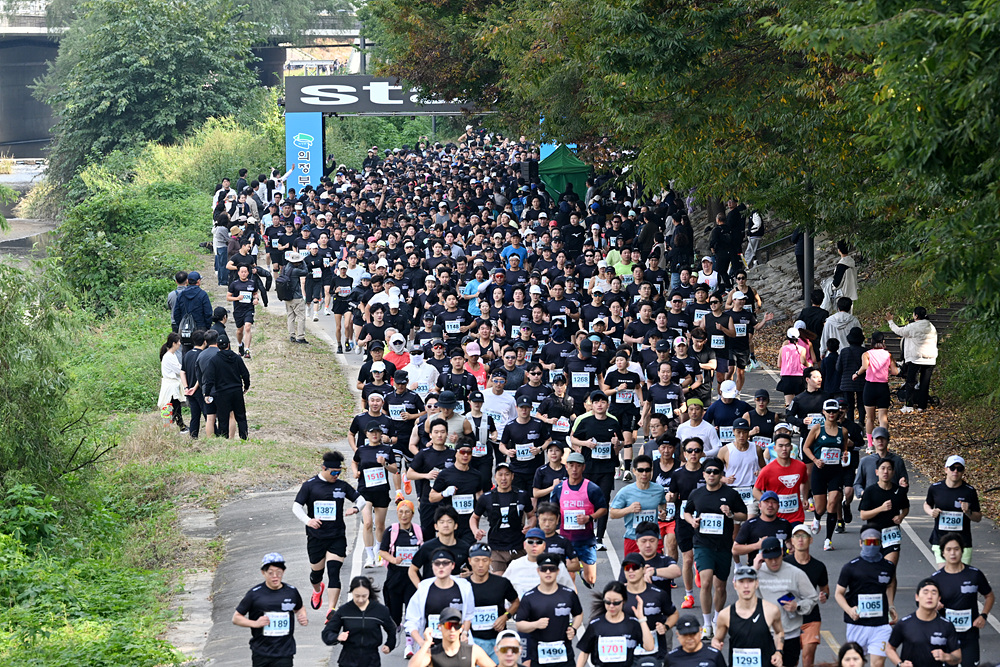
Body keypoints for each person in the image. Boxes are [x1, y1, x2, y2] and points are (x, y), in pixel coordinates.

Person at [684, 456, 749, 637]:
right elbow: (686, 512)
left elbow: (744, 515)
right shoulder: (696, 494)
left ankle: (717, 617)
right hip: (702, 544)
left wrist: (730, 514)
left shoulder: (731, 494)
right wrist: (692, 521)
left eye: (716, 472)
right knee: (705, 583)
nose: (712, 475)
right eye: (709, 472)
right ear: (703, 474)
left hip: (723, 545)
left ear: (721, 475)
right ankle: (706, 625)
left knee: (720, 587)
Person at [292, 451, 363, 613]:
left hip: (336, 536)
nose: (336, 475)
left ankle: (331, 610)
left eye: (339, 472)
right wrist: (308, 521)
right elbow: (296, 507)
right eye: (334, 472)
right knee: (316, 574)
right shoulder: (310, 486)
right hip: (316, 537)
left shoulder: (342, 486)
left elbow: (361, 499)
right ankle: (317, 589)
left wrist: (355, 508)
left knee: (334, 572)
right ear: (324, 468)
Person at [835, 528, 898, 667]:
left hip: (880, 624)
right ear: (860, 543)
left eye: (875, 542)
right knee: (855, 662)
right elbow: (838, 593)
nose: (871, 545)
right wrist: (849, 610)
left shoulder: (888, 566)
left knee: (878, 664)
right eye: (867, 542)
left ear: (880, 544)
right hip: (857, 624)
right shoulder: (850, 567)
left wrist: (891, 605)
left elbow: (890, 585)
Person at [232, 552, 308, 667]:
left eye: (279, 572)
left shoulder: (291, 592)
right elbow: (236, 618)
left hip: (285, 652)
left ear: (283, 572)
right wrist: (255, 623)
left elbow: (299, 607)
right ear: (263, 573)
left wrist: (302, 616)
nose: (275, 576)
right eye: (271, 573)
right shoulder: (254, 594)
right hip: (261, 652)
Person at [568, 390, 622, 548]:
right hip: (589, 467)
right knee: (586, 501)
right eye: (596, 402)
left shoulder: (613, 421)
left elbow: (621, 443)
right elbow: (572, 438)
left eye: (603, 402)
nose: (599, 405)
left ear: (608, 405)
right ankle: (586, 533)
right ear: (591, 404)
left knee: (603, 501)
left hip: (606, 468)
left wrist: (616, 443)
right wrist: (586, 444)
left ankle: (599, 538)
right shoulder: (584, 421)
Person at [754, 536, 819, 667]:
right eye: (769, 559)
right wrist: (754, 569)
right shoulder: (756, 572)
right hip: (766, 634)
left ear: (782, 553)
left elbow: (813, 598)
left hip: (790, 633)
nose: (773, 562)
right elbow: (743, 594)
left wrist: (798, 606)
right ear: (763, 557)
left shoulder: (796, 573)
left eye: (776, 557)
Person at [932, 532, 994, 667]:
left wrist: (983, 615)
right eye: (948, 550)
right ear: (943, 553)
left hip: (969, 635)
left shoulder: (974, 574)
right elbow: (924, 605)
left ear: (962, 551)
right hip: (946, 636)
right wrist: (934, 606)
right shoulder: (936, 579)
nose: (952, 553)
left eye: (956, 549)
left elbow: (989, 596)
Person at [515, 552, 584, 667]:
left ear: (557, 571)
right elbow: (519, 624)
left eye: (552, 569)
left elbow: (578, 614)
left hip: (565, 657)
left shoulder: (568, 594)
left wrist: (574, 628)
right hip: (539, 657)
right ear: (538, 571)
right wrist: (535, 624)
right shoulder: (529, 597)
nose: (548, 572)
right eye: (544, 569)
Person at [550, 452, 609, 588]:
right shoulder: (559, 489)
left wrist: (589, 517)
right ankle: (572, 606)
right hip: (566, 540)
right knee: (568, 581)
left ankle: (581, 570)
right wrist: (556, 528)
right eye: (571, 465)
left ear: (584, 468)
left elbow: (603, 509)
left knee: (591, 580)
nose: (574, 469)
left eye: (578, 466)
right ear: (566, 467)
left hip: (585, 540)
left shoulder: (592, 488)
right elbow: (552, 511)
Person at [711, 566, 784, 666]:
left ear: (756, 583)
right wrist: (715, 643)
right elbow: (717, 638)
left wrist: (779, 652)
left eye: (750, 581)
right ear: (735, 584)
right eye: (741, 581)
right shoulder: (725, 615)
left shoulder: (771, 610)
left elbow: (779, 632)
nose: (746, 586)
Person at [802, 398, 850, 551]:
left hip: (835, 471)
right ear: (823, 412)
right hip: (820, 471)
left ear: (838, 413)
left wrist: (844, 456)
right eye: (828, 411)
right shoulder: (817, 428)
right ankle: (817, 517)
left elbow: (844, 450)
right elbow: (806, 448)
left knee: (833, 502)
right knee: (821, 508)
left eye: (834, 411)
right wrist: (815, 460)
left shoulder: (843, 431)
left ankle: (828, 539)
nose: (831, 414)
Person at [404, 550, 475, 650]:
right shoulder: (424, 588)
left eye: (445, 563)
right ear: (432, 566)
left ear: (453, 565)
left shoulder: (464, 587)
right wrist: (422, 643)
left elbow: (469, 615)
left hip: (457, 645)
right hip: (431, 646)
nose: (441, 567)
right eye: (437, 563)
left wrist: (464, 633)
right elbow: (411, 621)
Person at [471, 462, 534, 575]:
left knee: (518, 582)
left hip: (518, 546)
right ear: (495, 477)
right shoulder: (486, 498)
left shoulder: (522, 495)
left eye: (507, 474)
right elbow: (474, 517)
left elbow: (532, 515)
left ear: (512, 476)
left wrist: (530, 527)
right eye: (500, 474)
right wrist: (476, 530)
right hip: (497, 547)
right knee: (499, 582)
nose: (503, 478)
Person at [321, 576, 397, 667]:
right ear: (352, 592)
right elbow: (327, 632)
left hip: (371, 660)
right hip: (348, 659)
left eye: (364, 596)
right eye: (357, 596)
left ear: (369, 592)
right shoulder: (344, 610)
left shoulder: (380, 610)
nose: (360, 600)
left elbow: (391, 629)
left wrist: (389, 645)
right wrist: (337, 637)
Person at [352, 422, 399, 569]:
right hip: (365, 489)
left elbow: (395, 469)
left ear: (381, 434)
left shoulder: (387, 449)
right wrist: (355, 472)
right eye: (372, 432)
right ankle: (369, 556)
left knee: (379, 525)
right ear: (366, 434)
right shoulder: (361, 450)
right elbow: (354, 462)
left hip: (381, 490)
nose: (375, 435)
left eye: (377, 432)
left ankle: (379, 552)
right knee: (367, 523)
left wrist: (384, 464)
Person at [576, 581, 655, 667]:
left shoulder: (633, 624)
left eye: (616, 602)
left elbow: (649, 646)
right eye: (608, 602)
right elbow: (584, 653)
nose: (611, 606)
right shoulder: (596, 624)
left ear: (624, 601)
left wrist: (641, 619)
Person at [885, 578, 961, 667]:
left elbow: (958, 657)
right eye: (925, 592)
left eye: (934, 593)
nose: (929, 596)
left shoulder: (947, 625)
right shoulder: (904, 624)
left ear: (939, 598)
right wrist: (900, 664)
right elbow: (889, 648)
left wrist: (946, 657)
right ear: (917, 597)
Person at [669, 437, 707, 609]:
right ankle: (689, 596)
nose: (693, 454)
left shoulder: (707, 472)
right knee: (687, 558)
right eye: (690, 451)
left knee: (700, 555)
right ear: (684, 453)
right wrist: (669, 498)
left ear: (702, 452)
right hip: (684, 519)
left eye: (697, 450)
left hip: (704, 520)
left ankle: (700, 569)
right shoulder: (677, 474)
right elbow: (672, 496)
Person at [924, 455, 982, 564]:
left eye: (959, 469)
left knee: (962, 578)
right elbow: (927, 504)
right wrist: (931, 512)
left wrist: (968, 512)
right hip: (940, 540)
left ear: (963, 471)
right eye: (952, 468)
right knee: (944, 576)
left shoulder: (969, 491)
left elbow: (978, 517)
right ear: (946, 469)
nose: (955, 471)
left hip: (963, 542)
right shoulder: (935, 488)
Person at [785, 524, 830, 667]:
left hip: (811, 618)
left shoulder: (819, 566)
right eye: (797, 536)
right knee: (791, 661)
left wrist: (824, 595)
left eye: (804, 536)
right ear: (792, 540)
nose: (800, 539)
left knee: (808, 656)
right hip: (789, 620)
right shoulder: (784, 564)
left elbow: (825, 588)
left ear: (810, 540)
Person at [620, 551, 679, 658]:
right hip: (627, 652)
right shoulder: (618, 595)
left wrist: (665, 626)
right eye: (627, 568)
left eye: (635, 567)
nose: (631, 571)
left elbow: (674, 614)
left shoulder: (658, 594)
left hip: (656, 651)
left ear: (644, 569)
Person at [467, 543, 519, 662]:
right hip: (472, 640)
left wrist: (506, 616)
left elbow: (516, 601)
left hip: (497, 639)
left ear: (490, 561)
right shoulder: (464, 585)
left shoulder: (502, 583)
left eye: (485, 560)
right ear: (470, 561)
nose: (481, 564)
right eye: (477, 560)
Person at [378, 499, 422, 630]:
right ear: (397, 513)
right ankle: (395, 631)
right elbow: (383, 551)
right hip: (395, 577)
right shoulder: (391, 531)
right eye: (401, 512)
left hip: (412, 577)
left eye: (407, 512)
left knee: (412, 611)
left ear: (412, 514)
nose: (404, 515)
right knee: (394, 613)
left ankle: (410, 641)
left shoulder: (419, 531)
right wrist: (393, 560)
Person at [609, 454, 667, 554]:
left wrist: (662, 512)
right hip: (633, 539)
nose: (644, 473)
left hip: (653, 539)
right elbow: (612, 514)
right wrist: (629, 509)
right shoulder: (625, 492)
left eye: (647, 470)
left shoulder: (659, 490)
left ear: (651, 471)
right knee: (631, 569)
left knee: (655, 569)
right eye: (640, 470)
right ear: (634, 471)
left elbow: (662, 505)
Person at [887, 306, 939, 413]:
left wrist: (890, 321)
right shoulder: (931, 327)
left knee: (910, 382)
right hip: (930, 358)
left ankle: (909, 406)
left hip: (916, 358)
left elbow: (899, 331)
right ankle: (922, 406)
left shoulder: (913, 326)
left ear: (916, 315)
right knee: (925, 383)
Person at [430, 441, 484, 543]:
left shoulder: (477, 475)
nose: (465, 455)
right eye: (462, 452)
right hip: (450, 524)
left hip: (469, 525)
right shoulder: (445, 474)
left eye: (469, 452)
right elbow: (431, 497)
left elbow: (479, 496)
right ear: (456, 453)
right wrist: (444, 493)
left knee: (468, 554)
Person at [858, 457, 909, 564]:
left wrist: (901, 516)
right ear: (877, 472)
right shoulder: (870, 491)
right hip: (873, 535)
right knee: (874, 572)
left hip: (891, 535)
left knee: (889, 570)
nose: (886, 471)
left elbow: (906, 508)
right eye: (883, 468)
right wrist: (881, 508)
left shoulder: (898, 491)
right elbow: (863, 515)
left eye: (889, 469)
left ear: (893, 472)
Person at [853, 331, 899, 448]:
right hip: (883, 387)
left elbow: (864, 367)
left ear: (871, 341)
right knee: (883, 417)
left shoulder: (866, 354)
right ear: (883, 341)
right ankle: (884, 444)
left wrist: (856, 374)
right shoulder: (888, 355)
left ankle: (870, 445)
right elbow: (895, 372)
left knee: (870, 418)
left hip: (870, 387)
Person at [408, 606, 493, 667]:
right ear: (440, 627)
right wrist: (426, 643)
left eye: (456, 626)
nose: (452, 630)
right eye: (448, 625)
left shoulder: (473, 651)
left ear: (461, 628)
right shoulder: (433, 654)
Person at [202, 335, 251, 440]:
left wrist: (207, 393)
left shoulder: (214, 360)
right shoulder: (236, 358)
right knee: (241, 417)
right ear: (229, 344)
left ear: (218, 346)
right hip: (237, 390)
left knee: (223, 419)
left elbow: (209, 379)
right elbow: (245, 374)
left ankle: (224, 439)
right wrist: (246, 386)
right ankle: (244, 438)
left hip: (222, 393)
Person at [504, 528, 576, 596]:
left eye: (539, 542)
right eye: (530, 542)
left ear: (544, 546)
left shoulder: (557, 564)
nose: (534, 545)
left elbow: (569, 591)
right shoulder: (515, 565)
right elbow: (503, 589)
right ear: (524, 545)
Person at [733, 491, 792, 564]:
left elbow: (789, 542)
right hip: (758, 568)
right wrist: (756, 546)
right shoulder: (750, 525)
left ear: (778, 506)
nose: (770, 505)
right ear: (759, 506)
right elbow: (735, 549)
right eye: (766, 502)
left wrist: (791, 549)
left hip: (781, 567)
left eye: (774, 502)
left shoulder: (785, 524)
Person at [158, 332, 188, 433]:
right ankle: (176, 426)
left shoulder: (172, 355)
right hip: (170, 385)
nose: (180, 343)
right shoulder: (169, 356)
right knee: (171, 406)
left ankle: (177, 425)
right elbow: (178, 369)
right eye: (178, 341)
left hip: (172, 384)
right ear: (174, 343)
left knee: (174, 405)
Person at [279, 252, 310, 344]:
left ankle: (291, 335)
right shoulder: (295, 271)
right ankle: (300, 337)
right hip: (296, 297)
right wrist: (303, 262)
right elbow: (306, 272)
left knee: (290, 316)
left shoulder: (285, 269)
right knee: (301, 317)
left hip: (287, 296)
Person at [173, 270, 214, 334]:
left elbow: (176, 313)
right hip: (200, 328)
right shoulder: (203, 294)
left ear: (188, 281)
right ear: (198, 281)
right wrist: (207, 327)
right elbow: (208, 313)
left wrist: (181, 324)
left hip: (185, 328)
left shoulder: (181, 294)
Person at [778, 328, 808, 407]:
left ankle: (790, 418)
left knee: (789, 404)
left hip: (786, 378)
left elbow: (778, 365)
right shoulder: (802, 349)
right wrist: (809, 365)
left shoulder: (782, 349)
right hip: (799, 377)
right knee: (800, 402)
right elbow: (803, 361)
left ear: (787, 338)